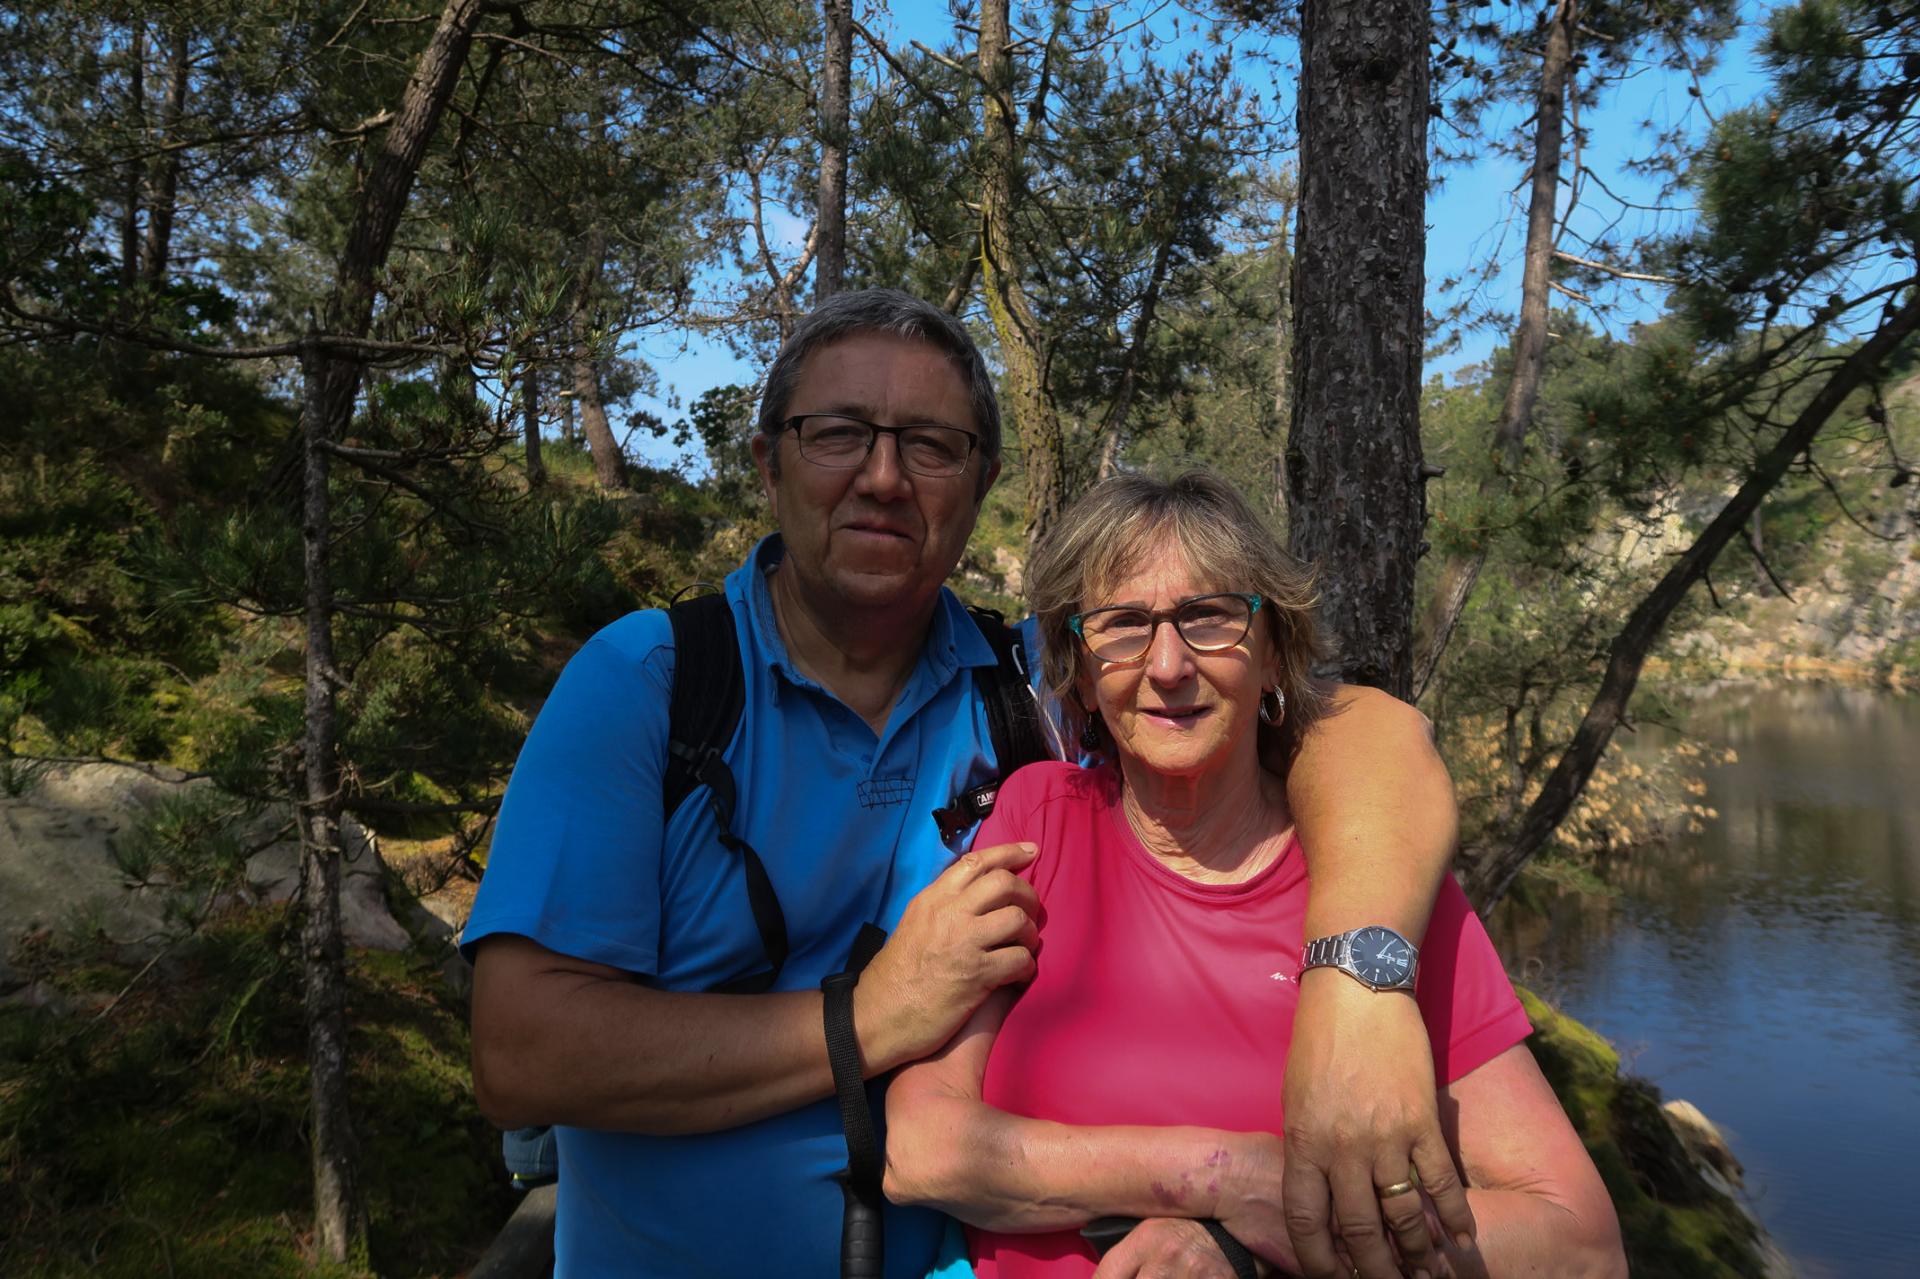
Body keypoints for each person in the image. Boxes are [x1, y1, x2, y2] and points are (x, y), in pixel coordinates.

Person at [465, 290, 1471, 1277]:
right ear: (768, 465)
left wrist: (1357, 987)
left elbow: (1364, 731)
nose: (885, 477)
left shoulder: (1036, 686)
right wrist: (865, 1018)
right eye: (839, 434)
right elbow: (522, 1052)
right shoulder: (654, 684)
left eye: (932, 445)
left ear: (980, 481)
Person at [883, 469, 1626, 1279]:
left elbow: (1580, 1243)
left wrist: (1253, 1253)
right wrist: (1229, 1178)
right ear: (1084, 676)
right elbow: (922, 1149)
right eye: (1123, 625)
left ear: (1274, 655)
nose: (1167, 664)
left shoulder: (1374, 885)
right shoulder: (1038, 821)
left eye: (1208, 617)